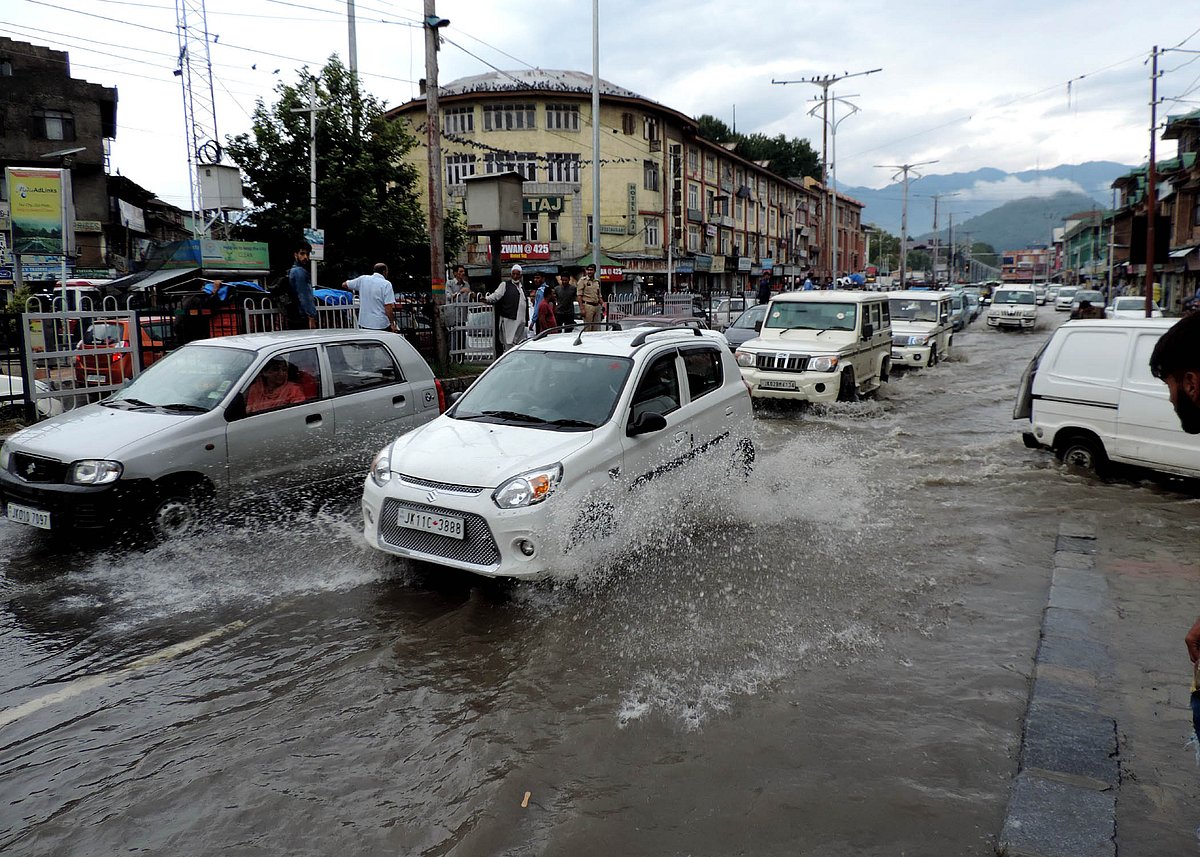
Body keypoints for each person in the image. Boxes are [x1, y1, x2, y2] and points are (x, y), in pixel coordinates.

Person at [485, 264, 529, 352]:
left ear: (520, 275)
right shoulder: (505, 285)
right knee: (509, 341)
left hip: (521, 320)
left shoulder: (521, 287)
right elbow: (496, 295)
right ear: (511, 275)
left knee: (519, 342)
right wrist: (487, 299)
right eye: (513, 274)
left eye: (517, 274)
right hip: (510, 318)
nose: (515, 276)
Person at [343, 263, 396, 331]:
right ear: (384, 272)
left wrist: (359, 289)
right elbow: (388, 307)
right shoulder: (386, 284)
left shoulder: (363, 279)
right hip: (380, 323)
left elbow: (345, 284)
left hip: (364, 322)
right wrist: (392, 323)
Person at [287, 241, 318, 330]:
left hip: (295, 315)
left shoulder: (293, 270)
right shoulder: (299, 272)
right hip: (303, 317)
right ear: (295, 255)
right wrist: (311, 316)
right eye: (302, 253)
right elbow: (304, 296)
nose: (305, 257)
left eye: (307, 254)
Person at [578, 263, 604, 329]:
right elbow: (579, 296)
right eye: (588, 270)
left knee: (596, 328)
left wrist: (603, 305)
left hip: (597, 306)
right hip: (587, 306)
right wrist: (582, 309)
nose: (589, 271)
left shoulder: (597, 281)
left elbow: (599, 295)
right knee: (588, 328)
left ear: (595, 271)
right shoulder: (582, 281)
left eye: (591, 270)